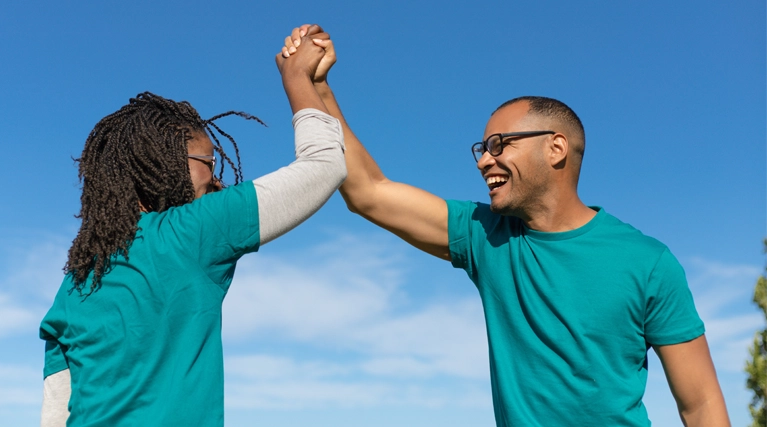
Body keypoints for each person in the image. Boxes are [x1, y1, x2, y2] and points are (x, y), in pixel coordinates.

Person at [281, 25, 730, 426]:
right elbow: (368, 193)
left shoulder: (648, 262)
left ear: (555, 148)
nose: (483, 159)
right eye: (482, 146)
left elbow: (702, 404)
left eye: (499, 144)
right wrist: (318, 88)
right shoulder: (485, 235)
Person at [38, 27, 344, 426]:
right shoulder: (190, 233)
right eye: (208, 163)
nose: (217, 181)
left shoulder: (76, 281)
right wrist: (299, 78)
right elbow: (324, 167)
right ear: (162, 164)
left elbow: (56, 415)